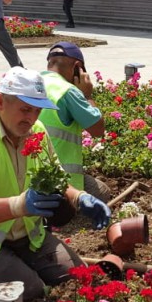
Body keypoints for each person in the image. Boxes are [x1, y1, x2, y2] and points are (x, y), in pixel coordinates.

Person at [0, 66, 111, 301]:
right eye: (25, 109)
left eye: (37, 110)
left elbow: (56, 178)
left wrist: (79, 197)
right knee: (30, 291)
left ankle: (16, 264)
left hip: (25, 237)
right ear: (0, 101)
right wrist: (21, 205)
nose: (32, 118)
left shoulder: (36, 130)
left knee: (77, 277)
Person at [40, 41, 110, 203]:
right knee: (102, 191)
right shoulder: (67, 90)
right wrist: (87, 95)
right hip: (61, 181)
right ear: (78, 67)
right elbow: (98, 130)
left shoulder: (31, 83)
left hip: (23, 174)